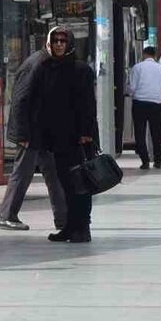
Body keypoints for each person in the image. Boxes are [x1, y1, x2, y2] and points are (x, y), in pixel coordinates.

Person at [29, 26, 98, 242]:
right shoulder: (44, 68)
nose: (59, 44)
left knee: (81, 183)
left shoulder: (81, 69)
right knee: (65, 183)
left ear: (69, 44)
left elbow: (88, 104)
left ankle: (83, 227)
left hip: (78, 137)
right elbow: (37, 101)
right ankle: (69, 226)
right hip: (56, 137)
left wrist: (86, 132)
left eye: (63, 40)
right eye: (55, 40)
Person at [0, 43, 67, 231]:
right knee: (23, 172)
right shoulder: (37, 64)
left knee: (54, 173)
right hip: (31, 133)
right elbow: (20, 100)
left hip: (43, 132)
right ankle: (6, 215)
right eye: (57, 41)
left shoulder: (48, 63)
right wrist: (22, 134)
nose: (61, 45)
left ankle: (63, 219)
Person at [128, 46, 161, 170]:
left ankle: (145, 161)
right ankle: (158, 160)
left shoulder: (137, 68)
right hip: (156, 104)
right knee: (156, 133)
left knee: (140, 133)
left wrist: (129, 92)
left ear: (144, 54)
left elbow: (132, 88)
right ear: (154, 55)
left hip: (139, 103)